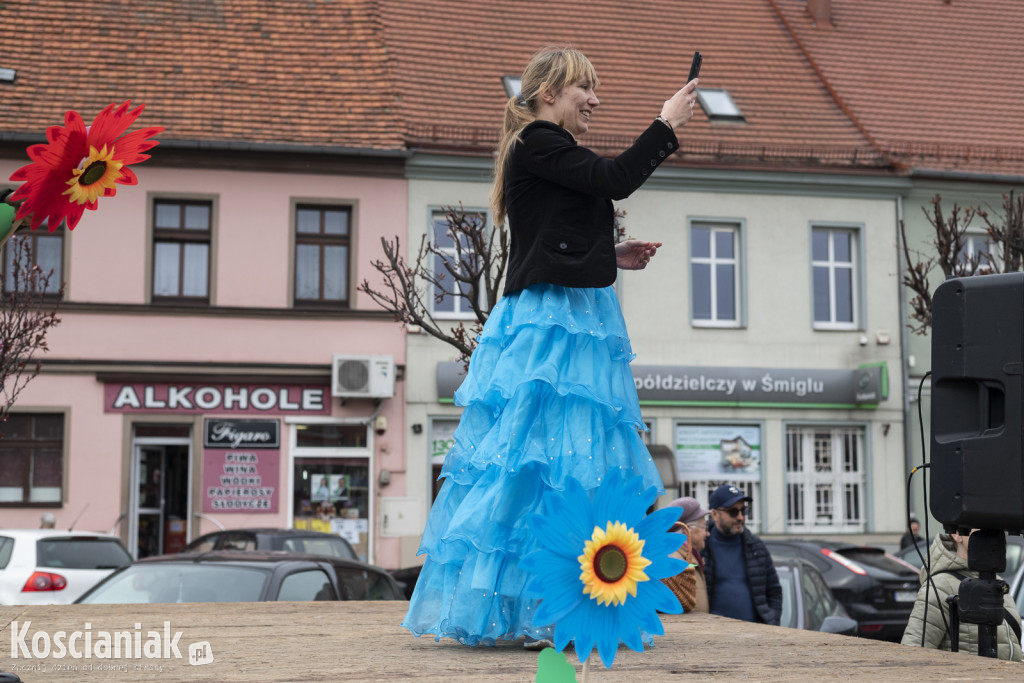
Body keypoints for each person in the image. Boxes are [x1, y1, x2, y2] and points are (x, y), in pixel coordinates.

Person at [402, 46, 698, 648]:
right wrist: (666, 124)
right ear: (546, 95)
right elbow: (613, 178)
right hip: (551, 319)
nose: (595, 99)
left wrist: (609, 256)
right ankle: (534, 608)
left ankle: (550, 608)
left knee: (558, 458)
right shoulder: (538, 141)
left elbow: (546, 237)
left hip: (568, 307)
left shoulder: (545, 150)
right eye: (582, 89)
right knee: (537, 458)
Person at [901, 531, 1023, 660]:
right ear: (957, 534)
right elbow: (911, 657)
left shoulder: (998, 584)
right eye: (979, 527)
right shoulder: (940, 587)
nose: (991, 534)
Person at [701, 484, 782, 625]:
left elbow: (774, 591)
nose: (740, 517)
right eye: (733, 512)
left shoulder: (756, 546)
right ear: (714, 514)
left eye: (744, 511)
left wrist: (771, 620)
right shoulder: (701, 546)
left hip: (754, 638)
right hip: (712, 637)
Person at [661, 497, 710, 612]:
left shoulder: (688, 556)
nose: (707, 533)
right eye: (704, 527)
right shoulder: (675, 560)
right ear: (687, 529)